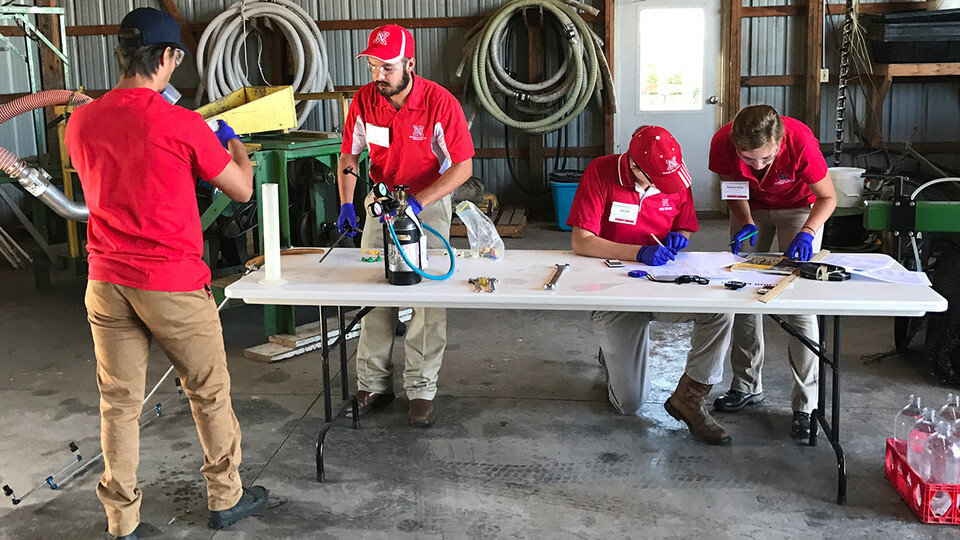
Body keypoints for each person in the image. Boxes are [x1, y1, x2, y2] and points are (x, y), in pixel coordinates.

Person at [65, 8, 268, 539]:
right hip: (172, 282)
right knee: (208, 392)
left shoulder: (81, 121)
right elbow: (241, 188)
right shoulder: (181, 124)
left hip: (107, 281)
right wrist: (233, 141)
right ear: (169, 58)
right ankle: (226, 498)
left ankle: (122, 520)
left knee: (119, 402)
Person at [336, 24, 475, 427]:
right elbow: (349, 155)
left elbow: (463, 166)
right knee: (375, 288)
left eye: (388, 68)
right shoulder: (364, 101)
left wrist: (418, 203)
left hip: (427, 202)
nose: (378, 75)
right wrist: (347, 202)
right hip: (381, 203)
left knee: (426, 299)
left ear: (409, 64)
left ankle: (422, 389)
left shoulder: (439, 103)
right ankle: (373, 384)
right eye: (373, 66)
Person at [567, 125, 735, 445]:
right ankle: (612, 350)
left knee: (721, 311)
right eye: (659, 183)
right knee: (629, 405)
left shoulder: (674, 175)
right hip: (614, 291)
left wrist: (679, 238)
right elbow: (581, 241)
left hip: (663, 284)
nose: (667, 188)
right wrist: (638, 253)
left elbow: (685, 227)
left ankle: (691, 396)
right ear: (634, 166)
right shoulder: (601, 171)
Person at [708, 104, 836, 442]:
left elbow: (827, 197)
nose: (758, 165)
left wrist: (808, 232)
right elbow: (732, 188)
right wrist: (746, 220)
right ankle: (747, 385)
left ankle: (805, 405)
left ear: (779, 142)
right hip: (752, 209)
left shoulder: (801, 141)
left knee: (799, 303)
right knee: (743, 290)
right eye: (748, 159)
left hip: (799, 208)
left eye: (765, 159)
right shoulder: (722, 142)